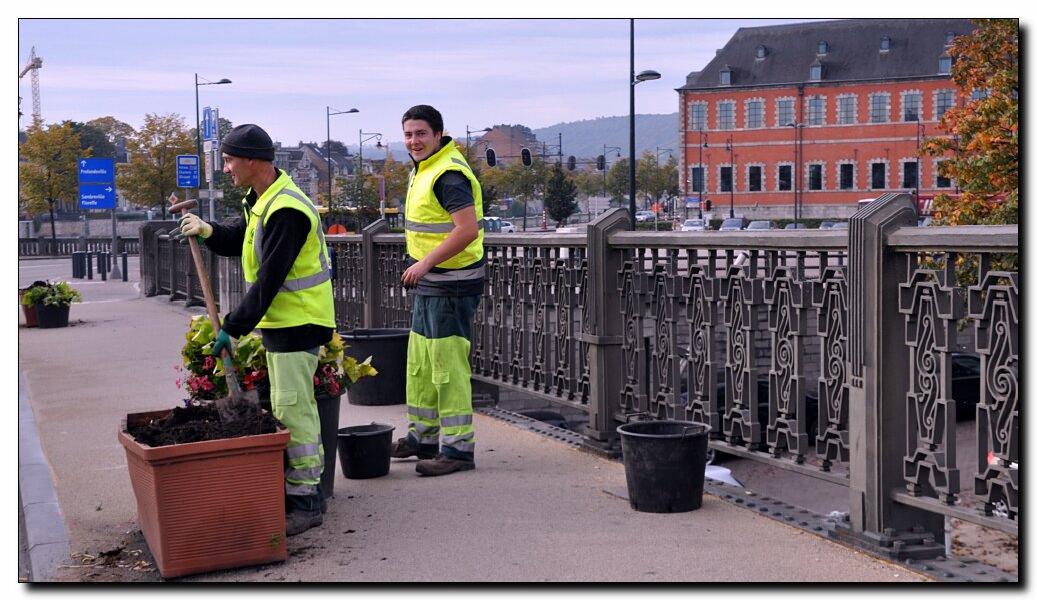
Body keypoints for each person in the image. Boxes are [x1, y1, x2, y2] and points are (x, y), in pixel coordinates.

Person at [174, 123, 335, 535]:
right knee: (288, 405)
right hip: (284, 319)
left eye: (229, 159)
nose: (225, 167)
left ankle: (306, 500)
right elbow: (240, 241)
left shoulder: (287, 210)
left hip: (299, 321)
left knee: (293, 409)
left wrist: (232, 327)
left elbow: (270, 279)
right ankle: (296, 490)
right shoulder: (262, 200)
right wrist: (208, 231)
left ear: (251, 160)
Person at [391, 105, 484, 476]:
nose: (414, 141)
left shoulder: (448, 174)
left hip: (452, 283)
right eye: (409, 134)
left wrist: (425, 262)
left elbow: (467, 229)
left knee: (447, 366)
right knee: (421, 364)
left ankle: (459, 450)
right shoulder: (425, 169)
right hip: (431, 282)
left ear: (438, 135)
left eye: (421, 134)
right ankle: (423, 437)